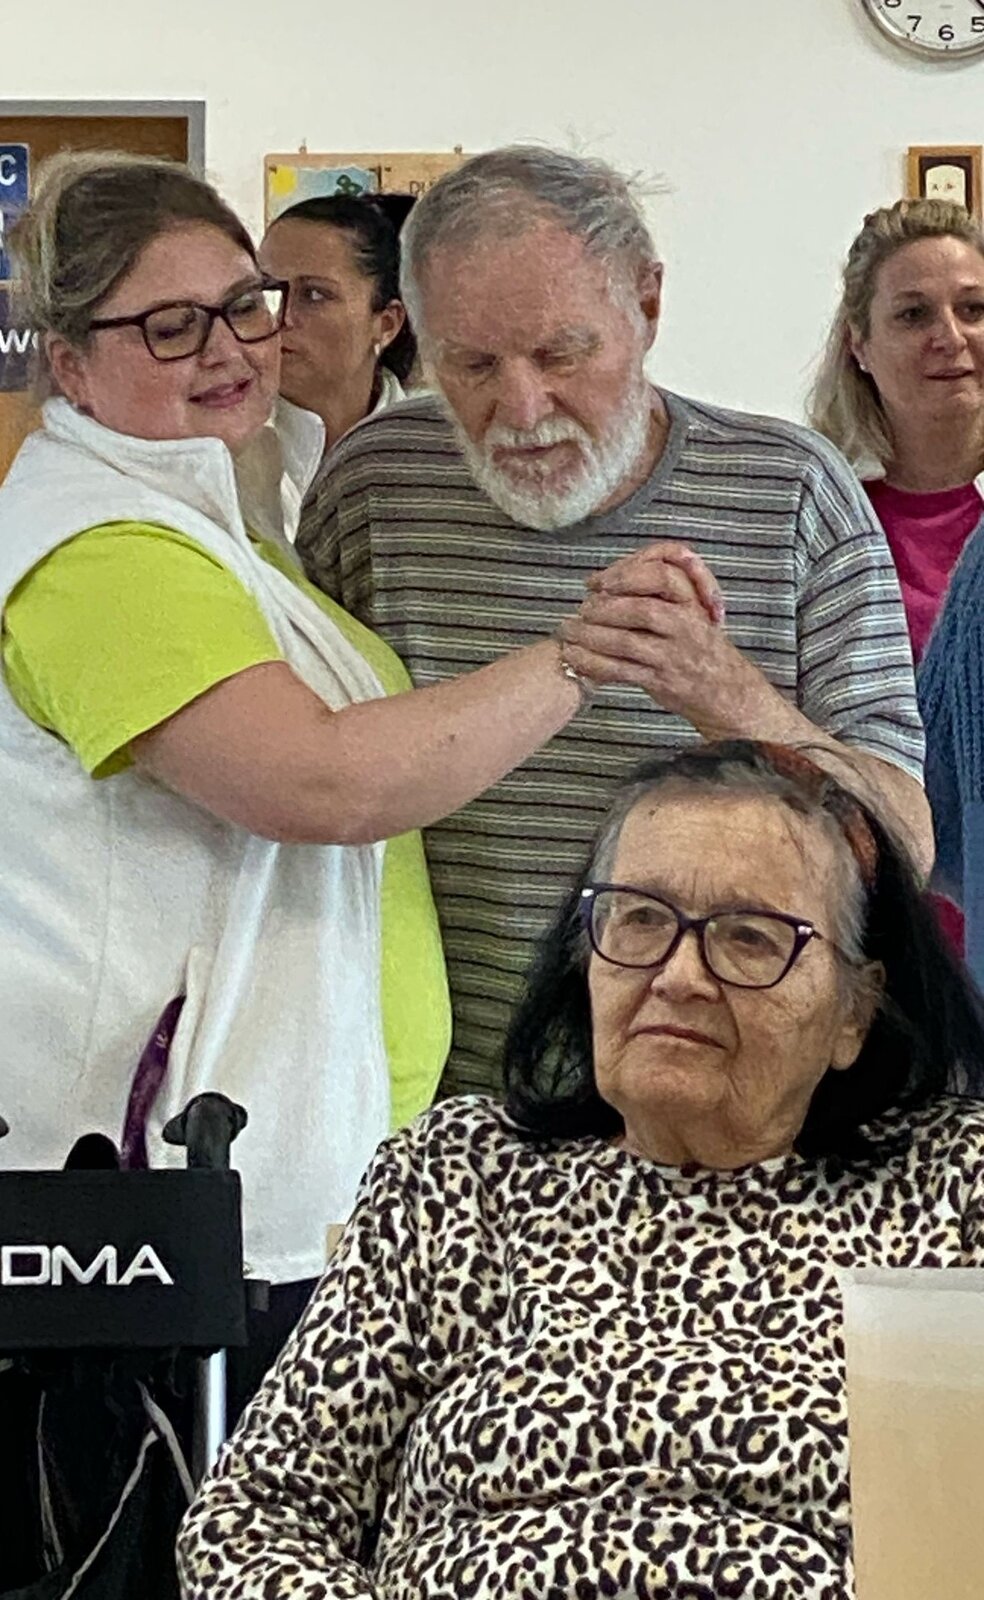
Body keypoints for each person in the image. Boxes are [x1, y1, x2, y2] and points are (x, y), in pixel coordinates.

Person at [0, 151, 698, 1404]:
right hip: (148, 1218)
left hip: (262, 1194)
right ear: (71, 363)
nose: (230, 349)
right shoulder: (101, 552)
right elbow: (320, 785)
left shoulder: (226, 510)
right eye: (169, 326)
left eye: (245, 303)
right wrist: (580, 656)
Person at [176, 739, 984, 1600]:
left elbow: (948, 1564)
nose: (679, 975)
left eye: (750, 938)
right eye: (640, 920)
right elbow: (252, 1520)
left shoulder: (949, 1187)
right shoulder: (460, 1176)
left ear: (854, 1011)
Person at [298, 144, 932, 1100]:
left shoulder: (793, 492)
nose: (521, 408)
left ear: (647, 305)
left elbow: (907, 848)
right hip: (431, 1108)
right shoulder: (375, 484)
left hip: (722, 1113)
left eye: (562, 354)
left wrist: (726, 695)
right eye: (472, 364)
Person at [810, 196, 984, 951]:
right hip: (872, 929)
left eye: (974, 309)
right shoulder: (819, 515)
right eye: (914, 315)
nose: (951, 337)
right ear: (860, 345)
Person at [259, 193, 416, 454]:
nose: (282, 317)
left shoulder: (438, 449)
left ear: (386, 324)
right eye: (266, 290)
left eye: (315, 295)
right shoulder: (223, 441)